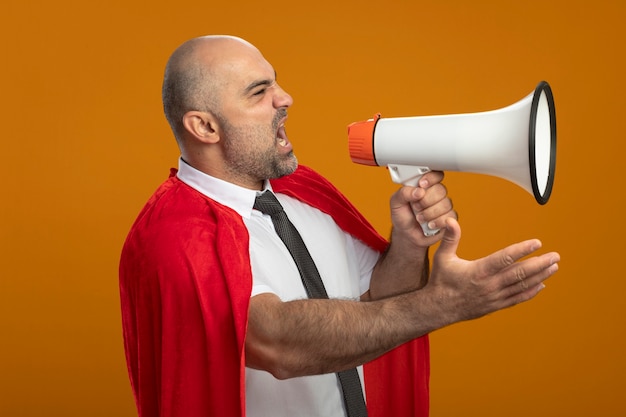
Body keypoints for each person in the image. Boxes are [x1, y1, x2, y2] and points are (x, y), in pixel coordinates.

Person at [119, 35, 560, 417]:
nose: (285, 98)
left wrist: (408, 246)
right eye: (259, 92)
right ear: (205, 126)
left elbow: (378, 301)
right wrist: (443, 305)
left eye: (276, 81)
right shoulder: (173, 234)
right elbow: (275, 343)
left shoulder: (305, 191)